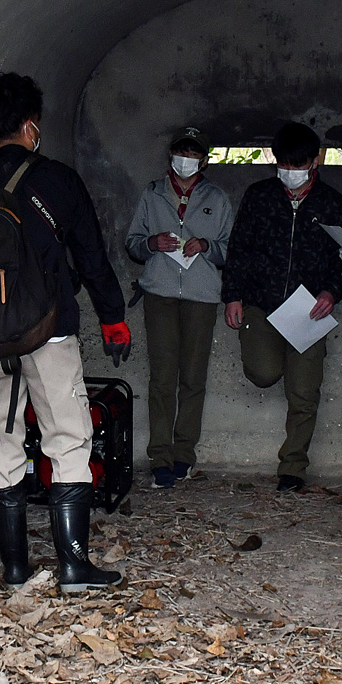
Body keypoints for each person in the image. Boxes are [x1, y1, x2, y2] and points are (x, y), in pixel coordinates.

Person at [0, 73, 130, 594]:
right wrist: (113, 317)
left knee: (0, 444)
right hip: (50, 332)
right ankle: (73, 567)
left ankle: (15, 569)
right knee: (67, 437)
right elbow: (91, 256)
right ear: (29, 126)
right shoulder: (57, 180)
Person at [220, 122, 342, 493]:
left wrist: (331, 292)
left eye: (299, 164)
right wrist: (233, 294)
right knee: (262, 373)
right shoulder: (259, 196)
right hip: (261, 304)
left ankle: (292, 467)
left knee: (304, 392)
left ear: (316, 161)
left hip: (309, 310)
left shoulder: (332, 203)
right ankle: (264, 351)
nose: (290, 171)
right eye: (284, 163)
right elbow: (239, 248)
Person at [125, 126, 235, 488]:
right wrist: (151, 243)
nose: (185, 161)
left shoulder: (216, 198)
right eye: (180, 153)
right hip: (160, 293)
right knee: (162, 378)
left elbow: (230, 249)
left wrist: (205, 246)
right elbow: (133, 242)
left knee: (193, 377)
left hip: (202, 296)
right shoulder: (153, 193)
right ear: (171, 155)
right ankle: (160, 454)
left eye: (192, 155)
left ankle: (184, 454)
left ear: (204, 160)